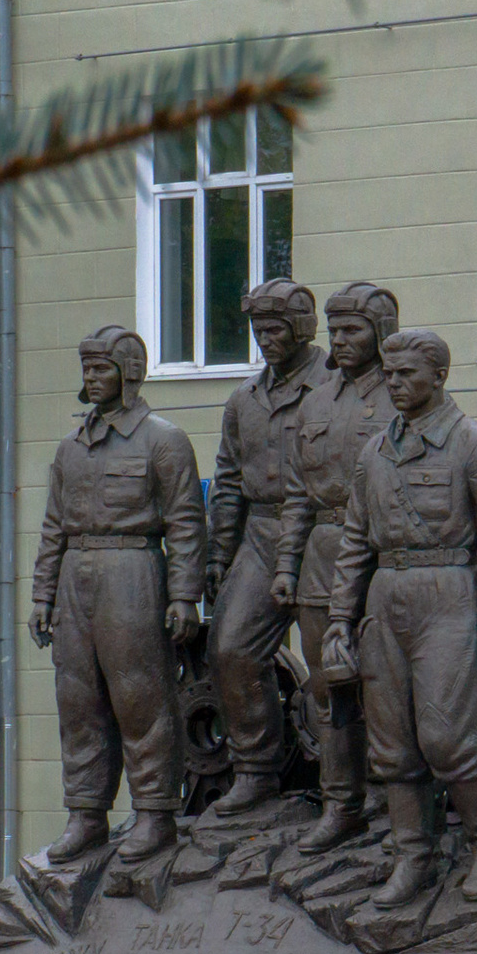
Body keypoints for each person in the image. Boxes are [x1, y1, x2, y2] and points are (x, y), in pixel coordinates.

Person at [323, 328, 477, 904]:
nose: (393, 383)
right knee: (392, 744)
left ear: (439, 376)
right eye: (388, 374)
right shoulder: (374, 452)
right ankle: (413, 855)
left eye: (406, 374)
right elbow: (354, 543)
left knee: (447, 738)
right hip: (386, 598)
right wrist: (340, 618)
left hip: (452, 595)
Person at [29, 325, 210, 863]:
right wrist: (42, 596)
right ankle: (86, 814)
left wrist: (184, 596)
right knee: (77, 699)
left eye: (101, 368)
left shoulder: (163, 440)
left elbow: (186, 523)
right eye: (86, 368)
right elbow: (52, 528)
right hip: (75, 577)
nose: (91, 377)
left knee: (141, 697)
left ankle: (155, 812)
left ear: (129, 373)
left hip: (133, 571)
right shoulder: (70, 447)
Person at [274, 281, 400, 851]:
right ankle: (341, 804)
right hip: (322, 558)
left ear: (382, 333)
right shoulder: (315, 402)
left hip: (381, 553)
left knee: (385, 688)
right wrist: (286, 565)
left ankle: (393, 800)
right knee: (328, 691)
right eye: (335, 331)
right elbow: (297, 494)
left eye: (353, 330)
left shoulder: (402, 393)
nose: (341, 340)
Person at [203, 280, 325, 818]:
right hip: (261, 533)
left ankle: (353, 782)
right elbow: (228, 482)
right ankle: (255, 770)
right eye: (258, 330)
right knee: (231, 648)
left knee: (334, 665)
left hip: (324, 533)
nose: (264, 339)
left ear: (302, 328)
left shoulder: (338, 387)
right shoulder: (244, 400)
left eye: (275, 329)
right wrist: (218, 554)